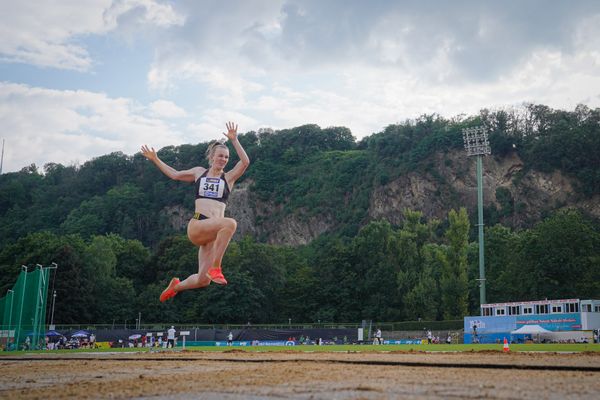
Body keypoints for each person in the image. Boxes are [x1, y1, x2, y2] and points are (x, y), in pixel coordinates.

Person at [142, 122, 250, 302]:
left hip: (212, 234)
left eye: (226, 157)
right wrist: (155, 159)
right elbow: (175, 174)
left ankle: (176, 286)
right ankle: (216, 267)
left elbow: (245, 162)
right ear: (212, 157)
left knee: (203, 280)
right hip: (198, 226)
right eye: (220, 156)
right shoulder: (199, 173)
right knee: (230, 223)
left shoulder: (228, 178)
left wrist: (235, 140)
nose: (223, 159)